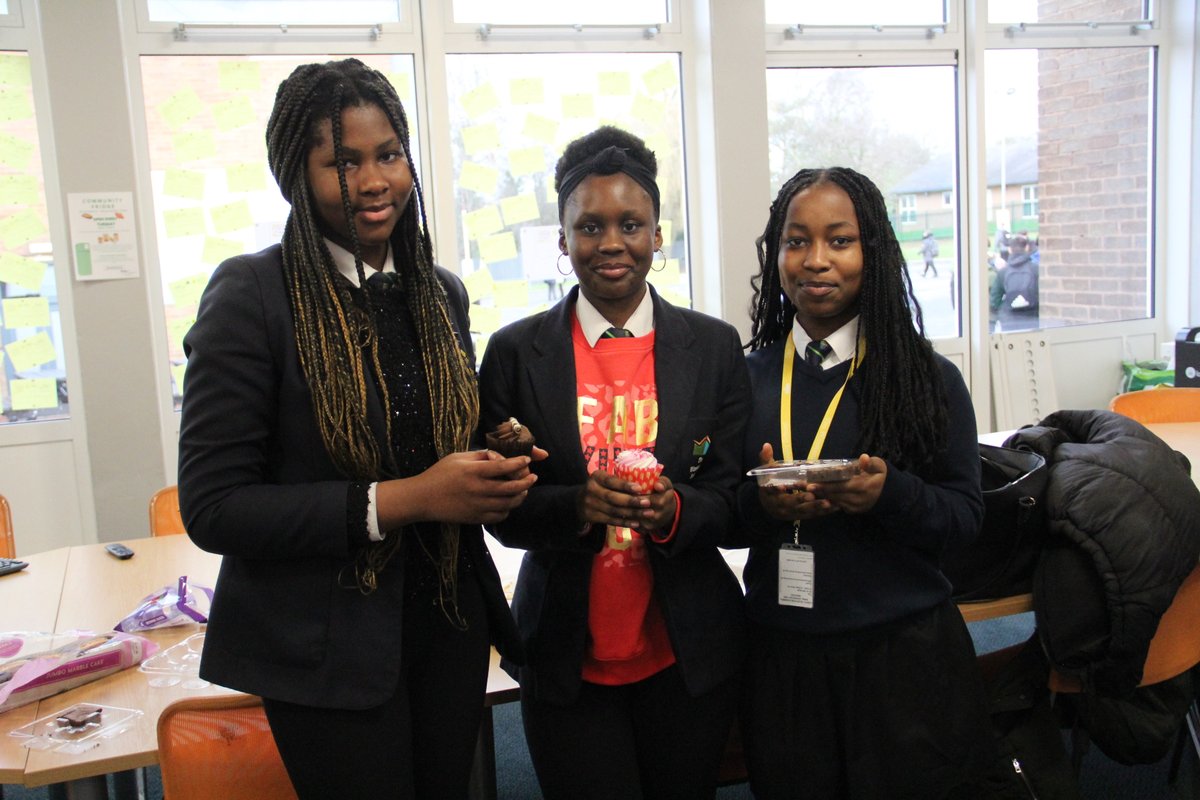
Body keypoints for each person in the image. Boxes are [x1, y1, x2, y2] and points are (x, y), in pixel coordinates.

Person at [176, 58, 537, 800]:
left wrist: (492, 446)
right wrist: (407, 499)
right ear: (295, 175)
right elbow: (214, 508)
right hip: (325, 643)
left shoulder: (437, 292)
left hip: (446, 623)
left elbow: (426, 436)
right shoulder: (252, 296)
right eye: (343, 161)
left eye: (389, 155)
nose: (375, 181)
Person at [478, 126, 750, 800]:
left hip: (686, 651)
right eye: (589, 226)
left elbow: (732, 491)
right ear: (562, 239)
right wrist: (575, 505)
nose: (611, 243)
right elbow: (500, 511)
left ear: (658, 235)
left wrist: (675, 509)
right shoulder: (516, 353)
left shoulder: (713, 349)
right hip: (565, 652)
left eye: (632, 224)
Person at [737, 166, 1005, 799]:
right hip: (784, 657)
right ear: (776, 253)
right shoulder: (744, 379)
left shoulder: (924, 378)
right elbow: (720, 514)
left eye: (840, 240)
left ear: (874, 251)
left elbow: (967, 518)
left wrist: (889, 495)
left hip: (903, 657)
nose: (816, 261)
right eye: (796, 241)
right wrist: (762, 506)